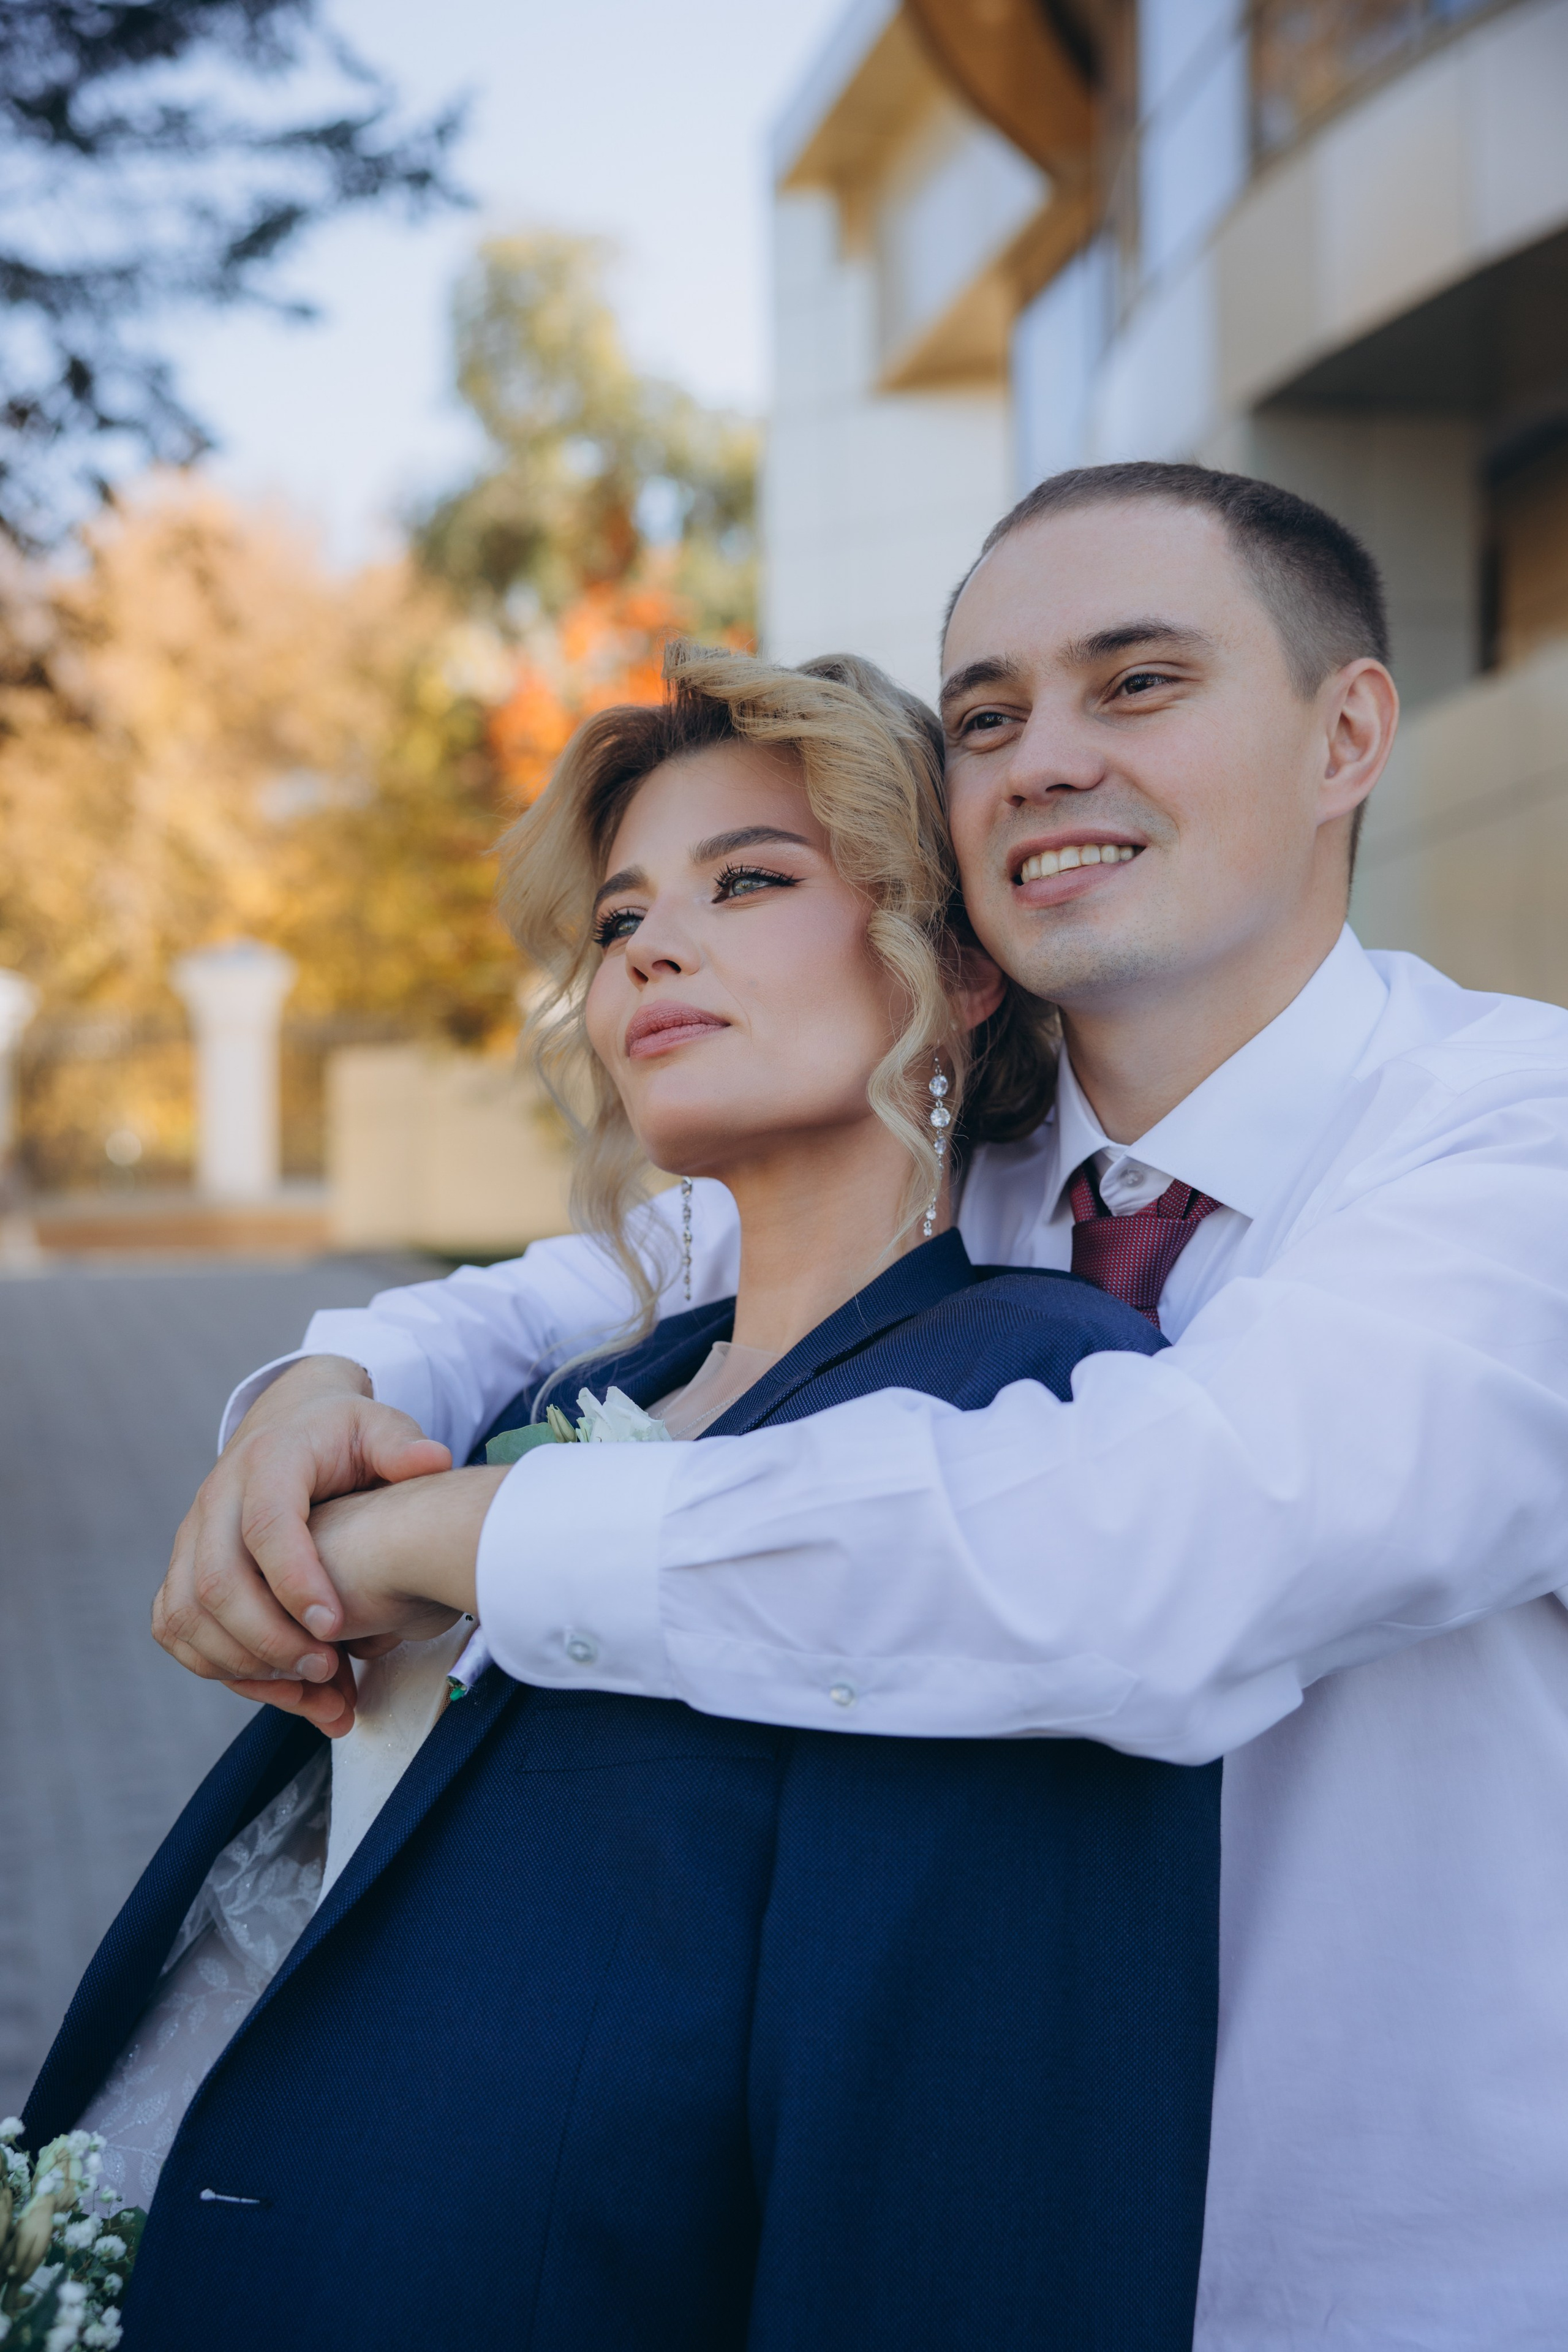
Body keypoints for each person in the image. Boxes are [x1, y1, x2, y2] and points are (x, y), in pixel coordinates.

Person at [149, 462, 1568, 2350]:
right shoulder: (954, 1150)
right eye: (986, 715)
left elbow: (1164, 1553)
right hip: (920, 2239)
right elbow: (602, 1277)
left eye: (1135, 683)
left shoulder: (1513, 1143)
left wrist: (459, 1533)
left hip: (1368, 2282)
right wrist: (335, 1382)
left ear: (1347, 731)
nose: (1041, 760)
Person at [27, 647, 1220, 2351]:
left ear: (954, 963)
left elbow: (965, 2155)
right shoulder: (574, 1395)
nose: (652, 946)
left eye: (749, 882)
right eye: (617, 918)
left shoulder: (1028, 1397)